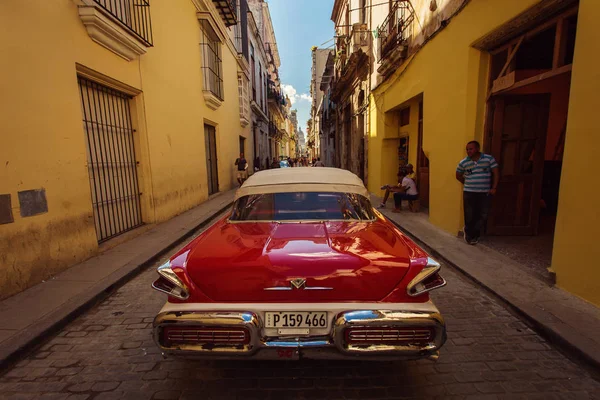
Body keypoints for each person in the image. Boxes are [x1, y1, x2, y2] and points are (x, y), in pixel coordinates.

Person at [456, 140, 499, 245]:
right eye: (467, 149)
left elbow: (496, 173)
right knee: (469, 214)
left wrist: (494, 187)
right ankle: (470, 235)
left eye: (471, 149)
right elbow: (458, 175)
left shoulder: (488, 159)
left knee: (483, 215)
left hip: (484, 192)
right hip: (469, 192)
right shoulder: (464, 162)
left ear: (477, 149)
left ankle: (474, 233)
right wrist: (468, 183)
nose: (468, 151)